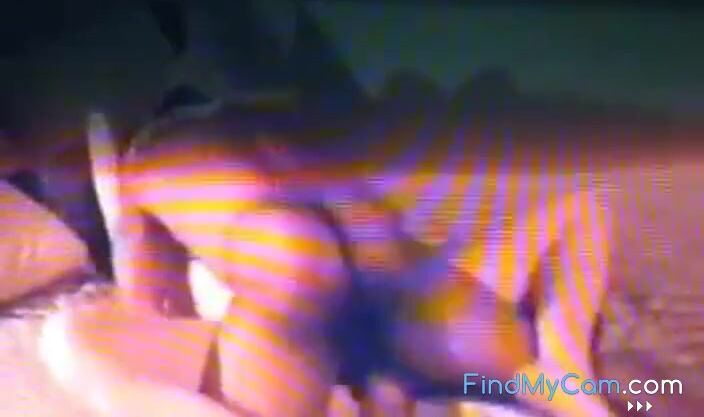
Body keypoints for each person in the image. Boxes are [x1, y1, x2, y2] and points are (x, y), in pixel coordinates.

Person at [40, 105, 613, 417]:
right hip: (405, 288)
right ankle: (564, 373)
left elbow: (152, 305)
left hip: (307, 271)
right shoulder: (277, 121)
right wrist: (563, 347)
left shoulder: (151, 161)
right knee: (525, 370)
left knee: (298, 267)